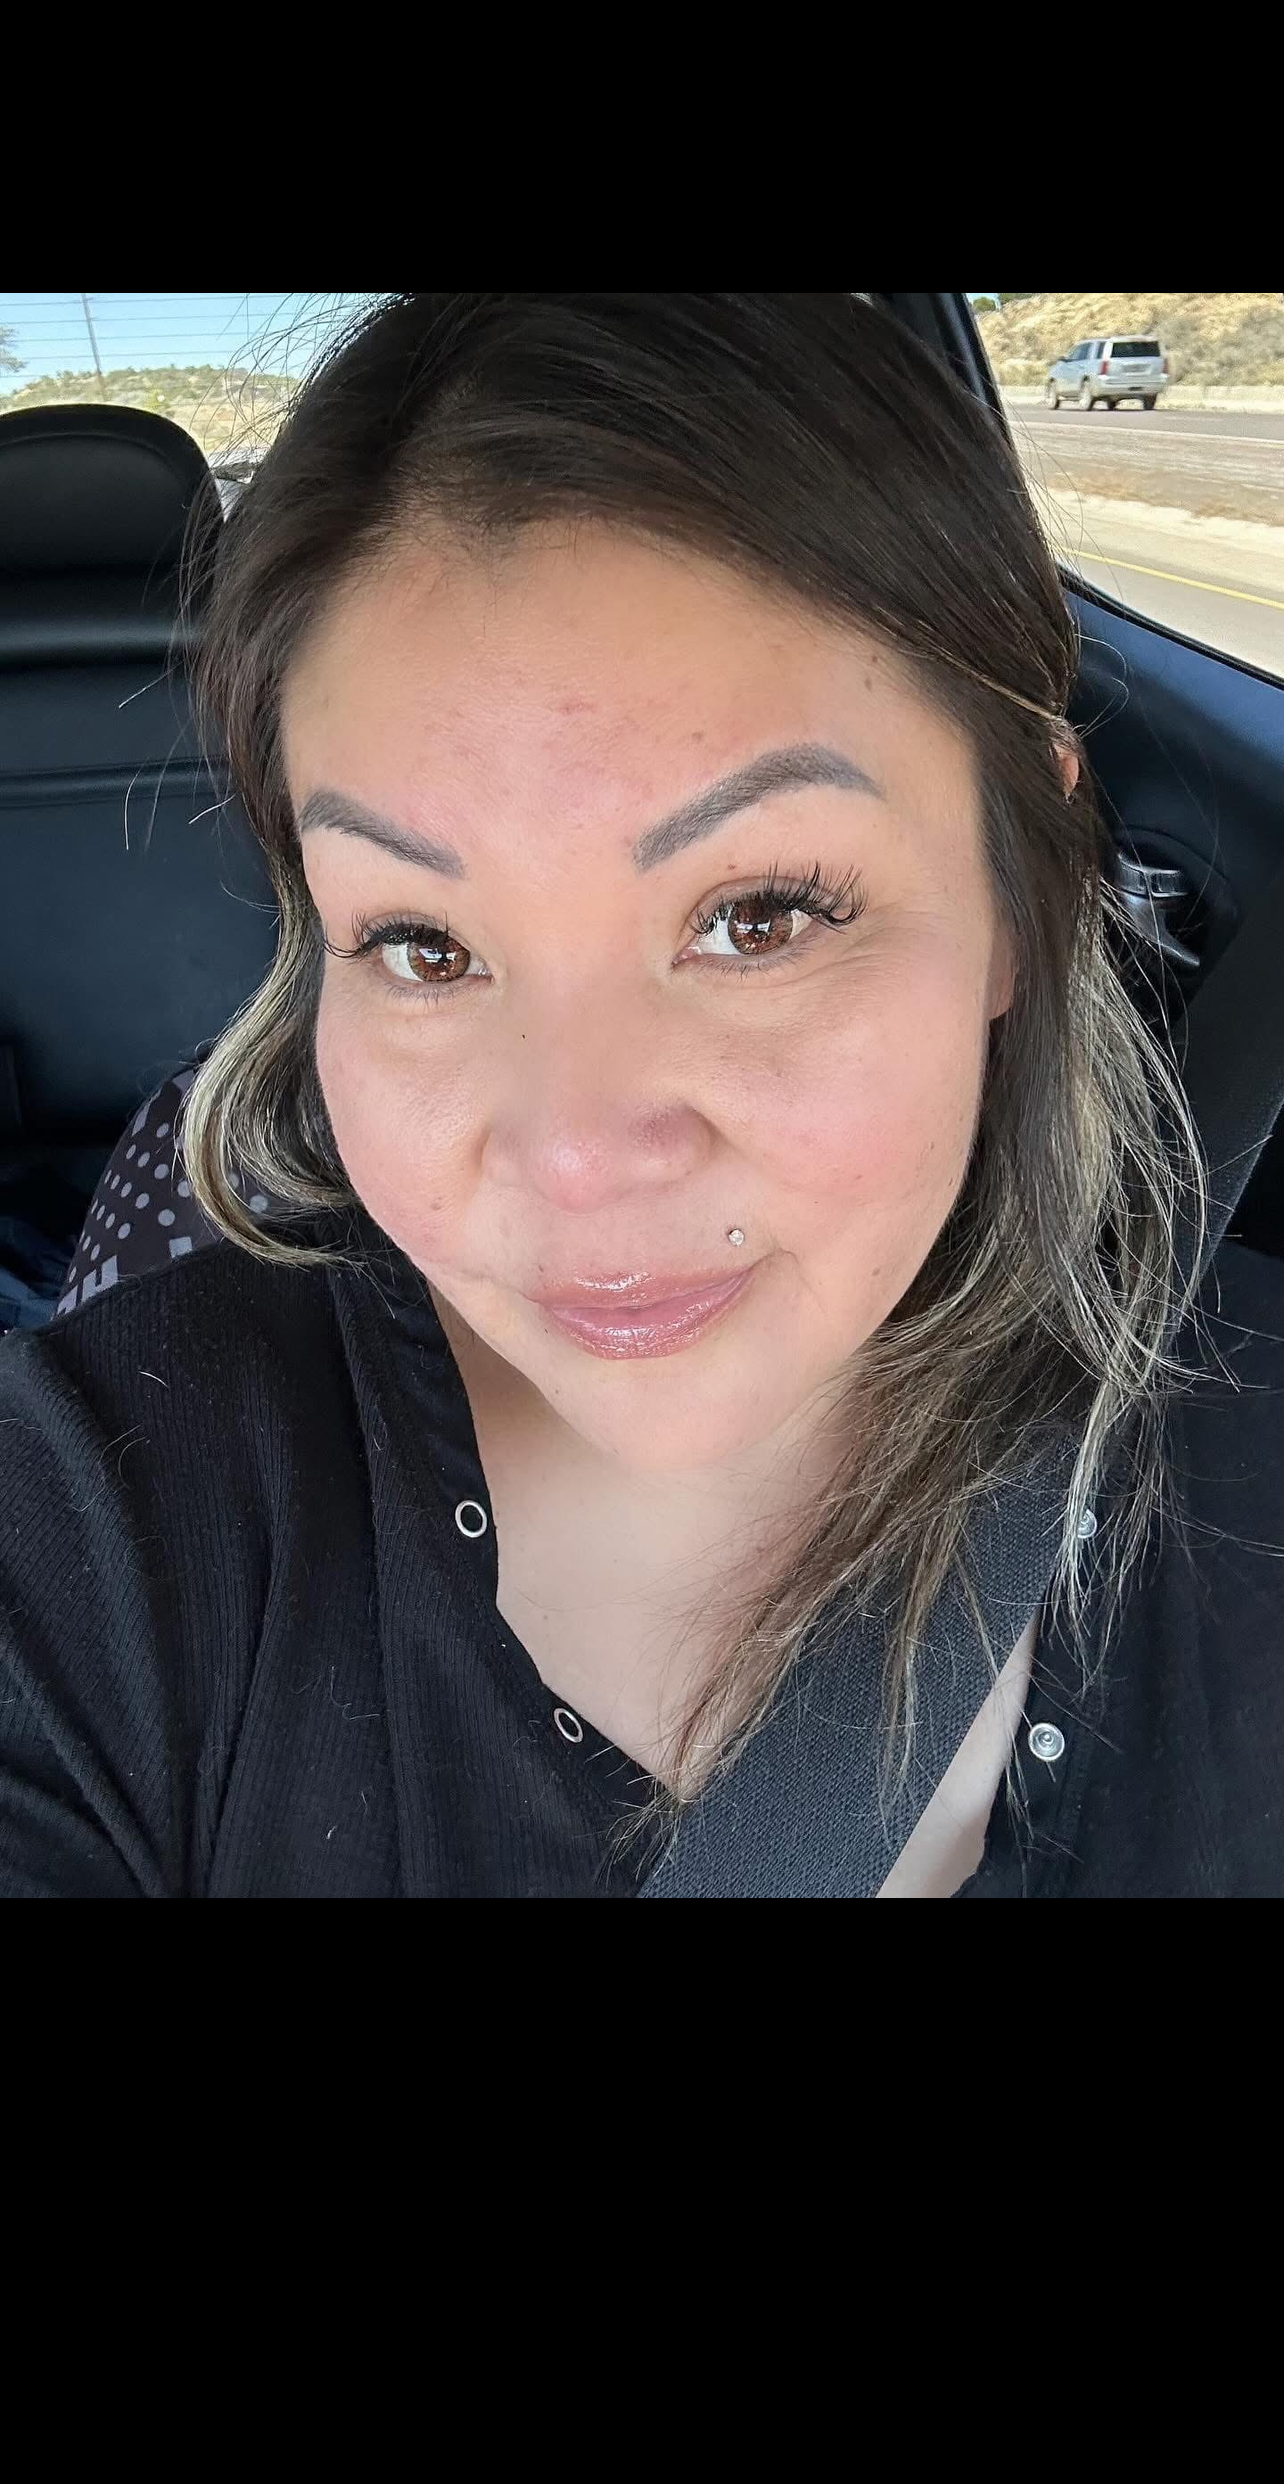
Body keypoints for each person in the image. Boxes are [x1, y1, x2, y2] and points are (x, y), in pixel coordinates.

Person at [2, 292, 1282, 1899]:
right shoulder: (103, 1512)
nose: (578, 1159)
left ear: (1022, 893)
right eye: (423, 944)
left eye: (761, 916)